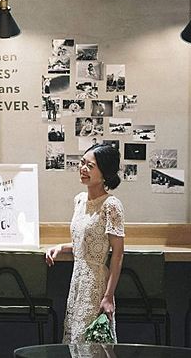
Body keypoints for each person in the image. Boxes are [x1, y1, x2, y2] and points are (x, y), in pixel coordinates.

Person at [46, 144, 125, 343]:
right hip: (77, 281)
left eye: (90, 166)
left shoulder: (111, 205)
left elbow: (117, 253)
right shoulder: (79, 200)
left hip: (96, 283)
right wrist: (61, 247)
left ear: (105, 173)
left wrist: (108, 296)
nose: (83, 169)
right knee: (75, 341)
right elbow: (86, 242)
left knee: (93, 342)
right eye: (82, 163)